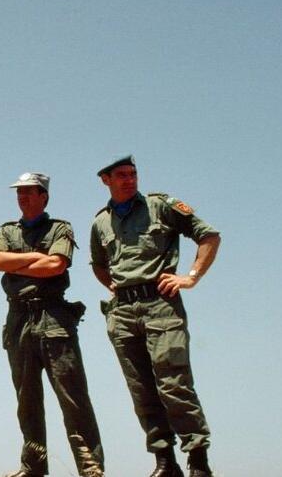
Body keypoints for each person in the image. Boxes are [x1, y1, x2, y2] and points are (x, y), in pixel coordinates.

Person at [90, 156, 221, 477]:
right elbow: (98, 263)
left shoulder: (160, 206)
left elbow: (209, 236)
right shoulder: (100, 222)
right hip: (122, 313)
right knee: (142, 390)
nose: (129, 179)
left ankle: (198, 460)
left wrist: (190, 276)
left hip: (161, 305)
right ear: (105, 180)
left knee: (173, 383)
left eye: (133, 174)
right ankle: (165, 461)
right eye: (121, 175)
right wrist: (117, 288)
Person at [0, 172, 104, 477]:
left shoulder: (59, 228)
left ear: (44, 196)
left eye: (29, 192)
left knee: (73, 398)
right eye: (19, 192)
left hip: (53, 317)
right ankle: (33, 468)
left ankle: (90, 469)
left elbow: (55, 265)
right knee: (26, 399)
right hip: (18, 319)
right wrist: (35, 258)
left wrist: (19, 262)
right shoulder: (7, 230)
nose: (23, 197)